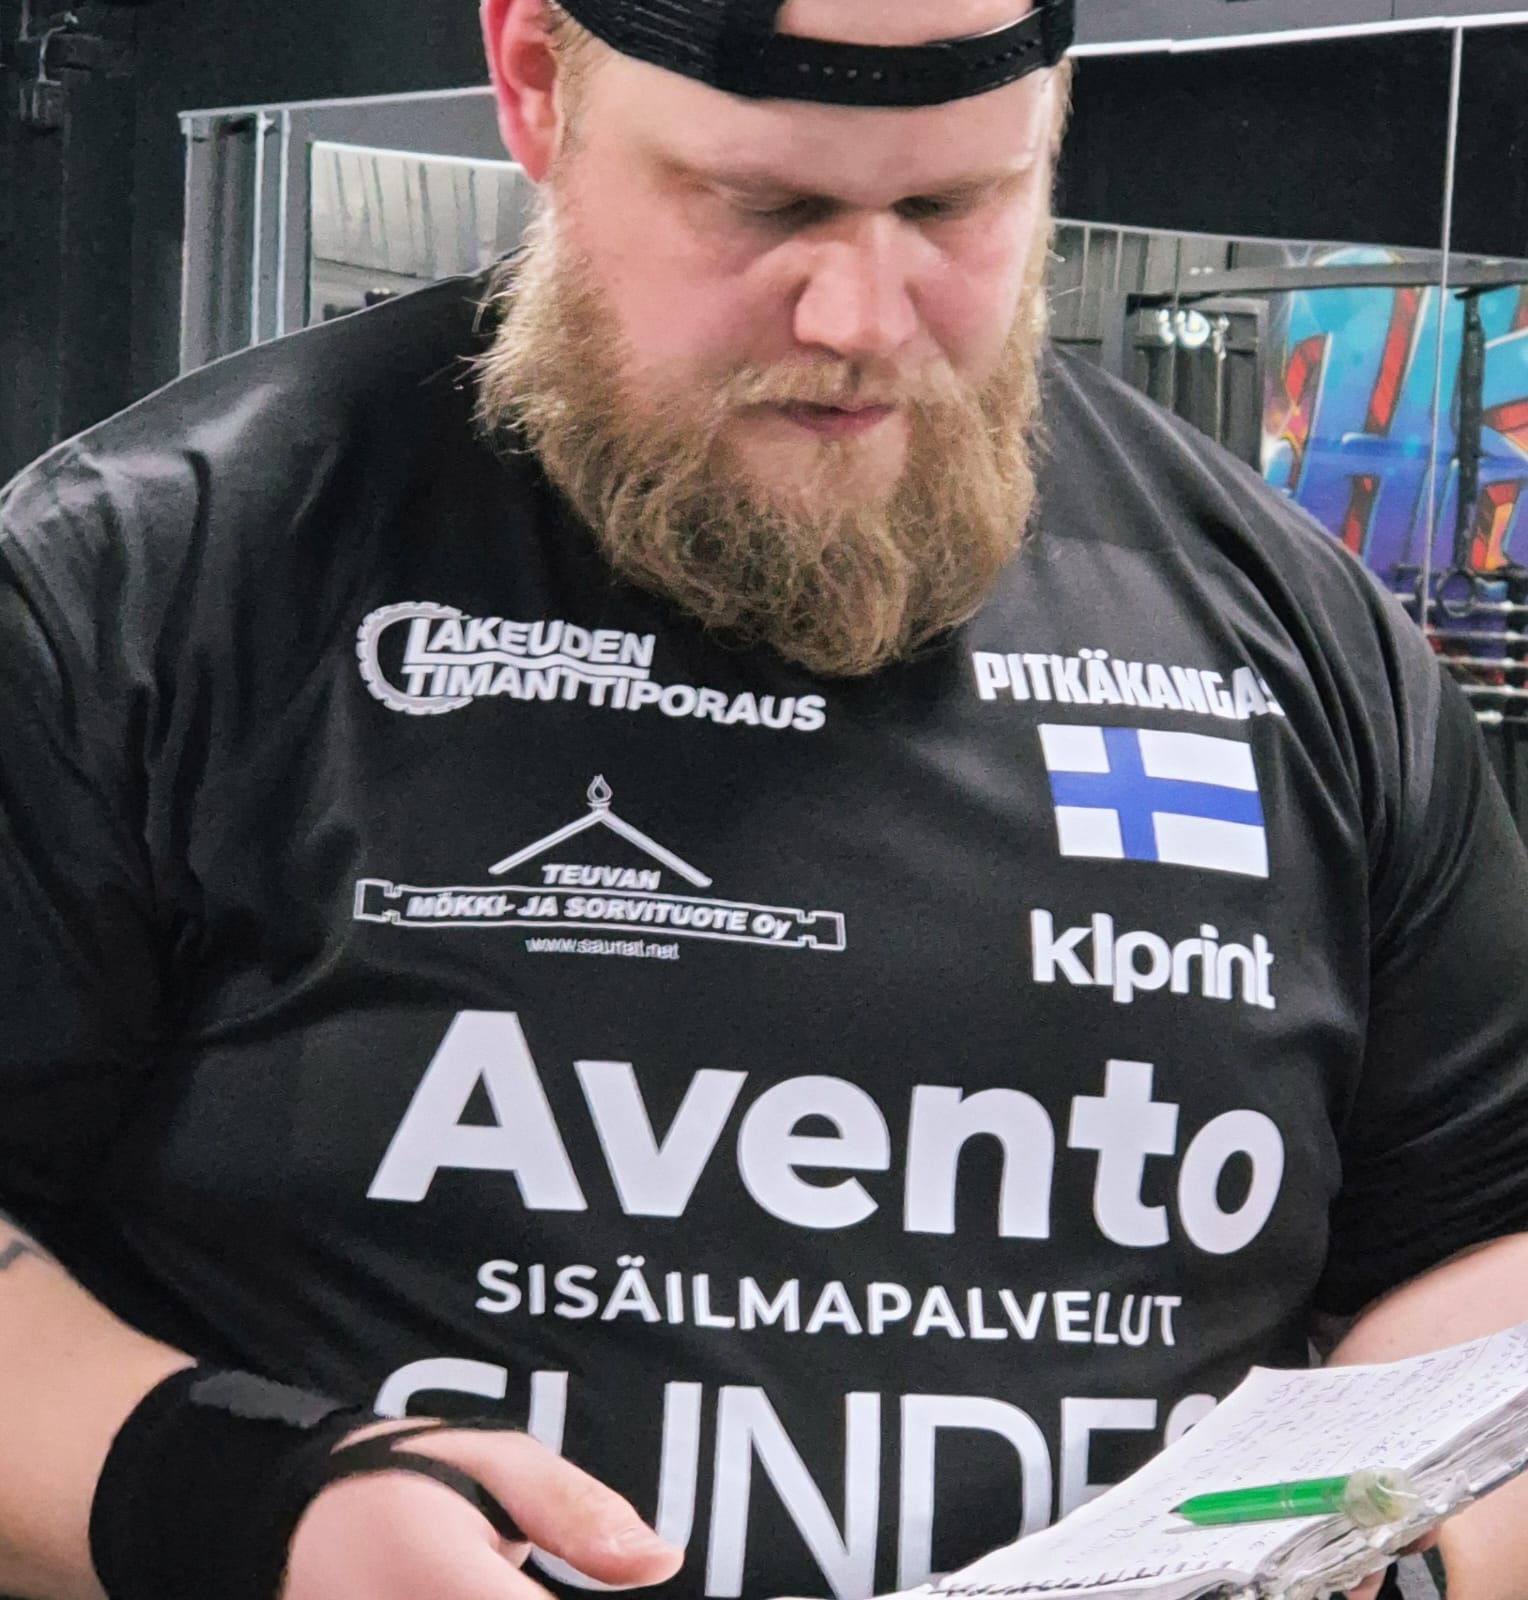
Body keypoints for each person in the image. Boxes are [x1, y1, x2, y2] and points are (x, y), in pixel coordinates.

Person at [2, 1, 1527, 1598]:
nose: (861, 314)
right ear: (537, 83)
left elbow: (1479, 1227)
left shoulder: (1287, 635)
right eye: (765, 204)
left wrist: (1411, 1558)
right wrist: (261, 1508)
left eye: (949, 205)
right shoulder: (157, 585)